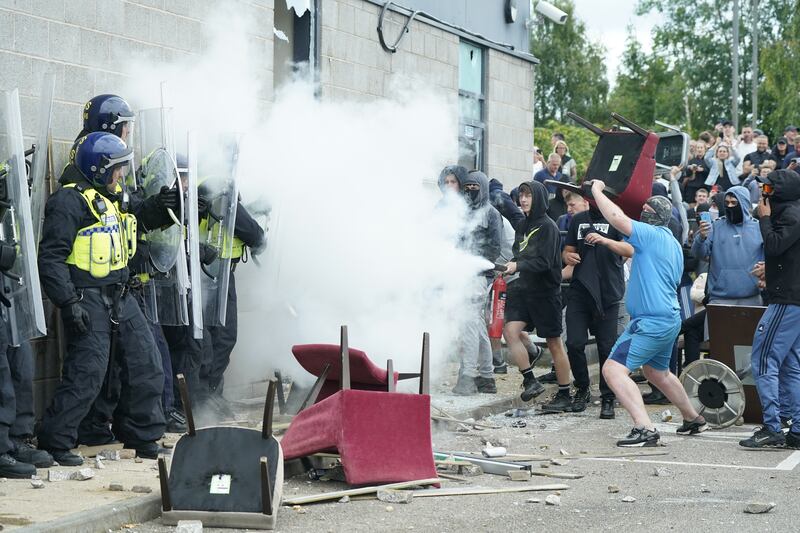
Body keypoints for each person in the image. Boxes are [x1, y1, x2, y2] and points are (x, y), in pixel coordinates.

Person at [36, 132, 178, 465]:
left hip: (121, 293)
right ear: (98, 168)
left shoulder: (114, 195)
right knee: (88, 370)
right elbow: (51, 257)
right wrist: (68, 302)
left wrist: (162, 205)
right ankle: (56, 440)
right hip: (86, 297)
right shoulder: (69, 202)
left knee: (147, 364)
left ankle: (144, 435)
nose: (121, 175)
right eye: (117, 169)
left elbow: (139, 214)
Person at [589, 179, 707, 447]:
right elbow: (631, 249)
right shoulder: (671, 243)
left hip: (650, 321)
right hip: (668, 318)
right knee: (657, 373)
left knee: (613, 371)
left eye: (647, 210)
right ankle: (692, 418)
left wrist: (597, 191)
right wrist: (609, 243)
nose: (643, 212)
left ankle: (644, 428)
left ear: (656, 217)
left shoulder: (650, 235)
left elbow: (617, 218)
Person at [740, 169, 800, 449]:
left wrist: (764, 219)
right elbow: (788, 255)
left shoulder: (790, 214)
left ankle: (773, 427)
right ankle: (796, 428)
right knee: (790, 365)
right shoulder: (791, 211)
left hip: (787, 301)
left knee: (763, 359)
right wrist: (772, 271)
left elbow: (775, 244)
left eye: (767, 190)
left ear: (779, 192)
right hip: (791, 297)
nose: (762, 195)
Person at [503, 181, 572, 410]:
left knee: (554, 343)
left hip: (546, 293)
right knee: (510, 331)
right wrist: (510, 266)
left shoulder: (548, 227)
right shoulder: (522, 224)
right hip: (525, 290)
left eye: (528, 195)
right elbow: (518, 253)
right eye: (521, 195)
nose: (523, 199)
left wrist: (518, 265)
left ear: (539, 198)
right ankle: (530, 381)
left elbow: (544, 262)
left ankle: (564, 394)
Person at [197, 182, 266, 408]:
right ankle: (208, 397)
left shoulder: (208, 182)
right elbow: (249, 229)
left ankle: (211, 395)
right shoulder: (217, 186)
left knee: (215, 338)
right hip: (214, 273)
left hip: (214, 272)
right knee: (221, 338)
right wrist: (258, 235)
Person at [562, 201, 631, 418]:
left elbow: (630, 249)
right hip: (580, 290)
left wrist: (605, 241)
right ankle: (582, 388)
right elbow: (568, 250)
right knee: (573, 342)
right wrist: (568, 257)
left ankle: (608, 397)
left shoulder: (617, 218)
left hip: (608, 292)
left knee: (606, 348)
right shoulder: (578, 220)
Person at [451, 171, 503, 394]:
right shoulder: (462, 212)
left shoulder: (491, 213)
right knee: (476, 325)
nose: (470, 190)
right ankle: (487, 377)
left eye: (475, 186)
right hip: (462, 275)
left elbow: (494, 248)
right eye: (468, 186)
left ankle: (468, 376)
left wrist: (476, 265)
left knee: (469, 324)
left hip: (479, 276)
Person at [692, 186, 764, 306]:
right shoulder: (716, 226)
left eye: (734, 203)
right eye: (727, 203)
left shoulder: (759, 227)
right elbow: (699, 254)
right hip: (719, 297)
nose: (730, 206)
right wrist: (701, 238)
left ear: (744, 204)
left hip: (752, 296)